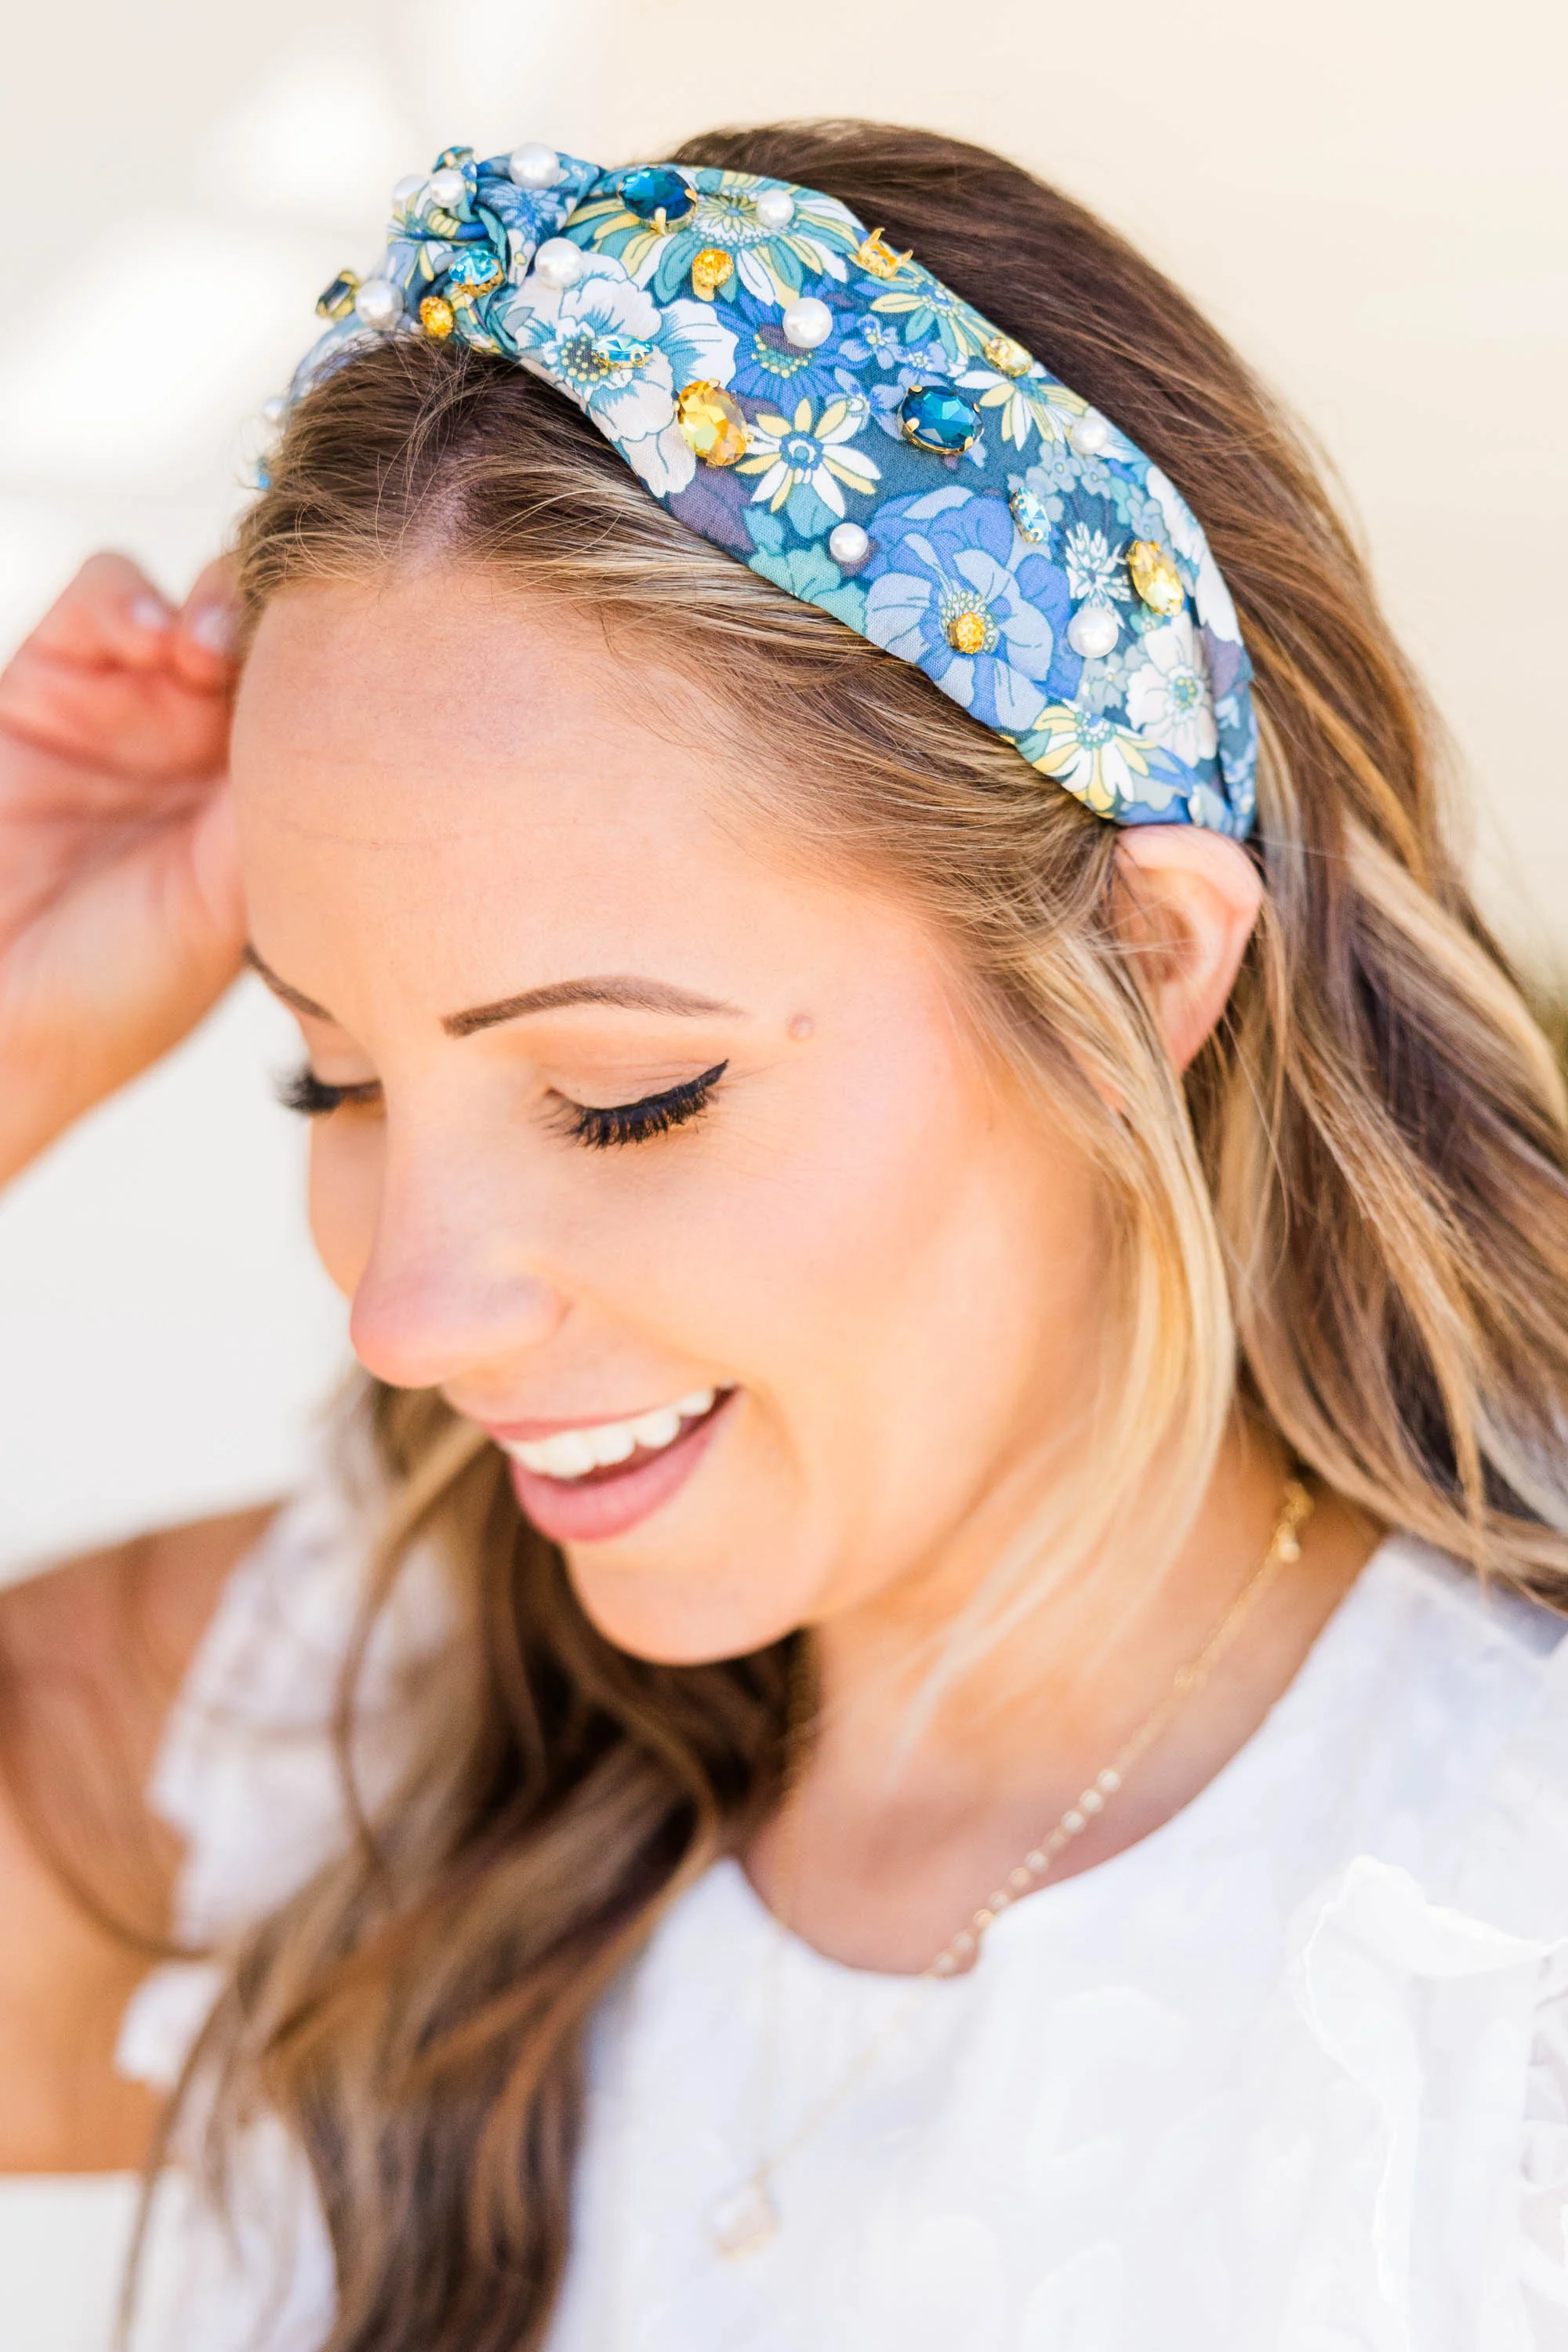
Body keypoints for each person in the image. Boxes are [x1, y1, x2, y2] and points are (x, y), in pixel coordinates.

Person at [2, 115, 1568, 2350]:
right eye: (331, 1075)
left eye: (624, 1095)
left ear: (1139, 963)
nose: (408, 1310)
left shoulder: (1495, 1983)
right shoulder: (382, 1719)